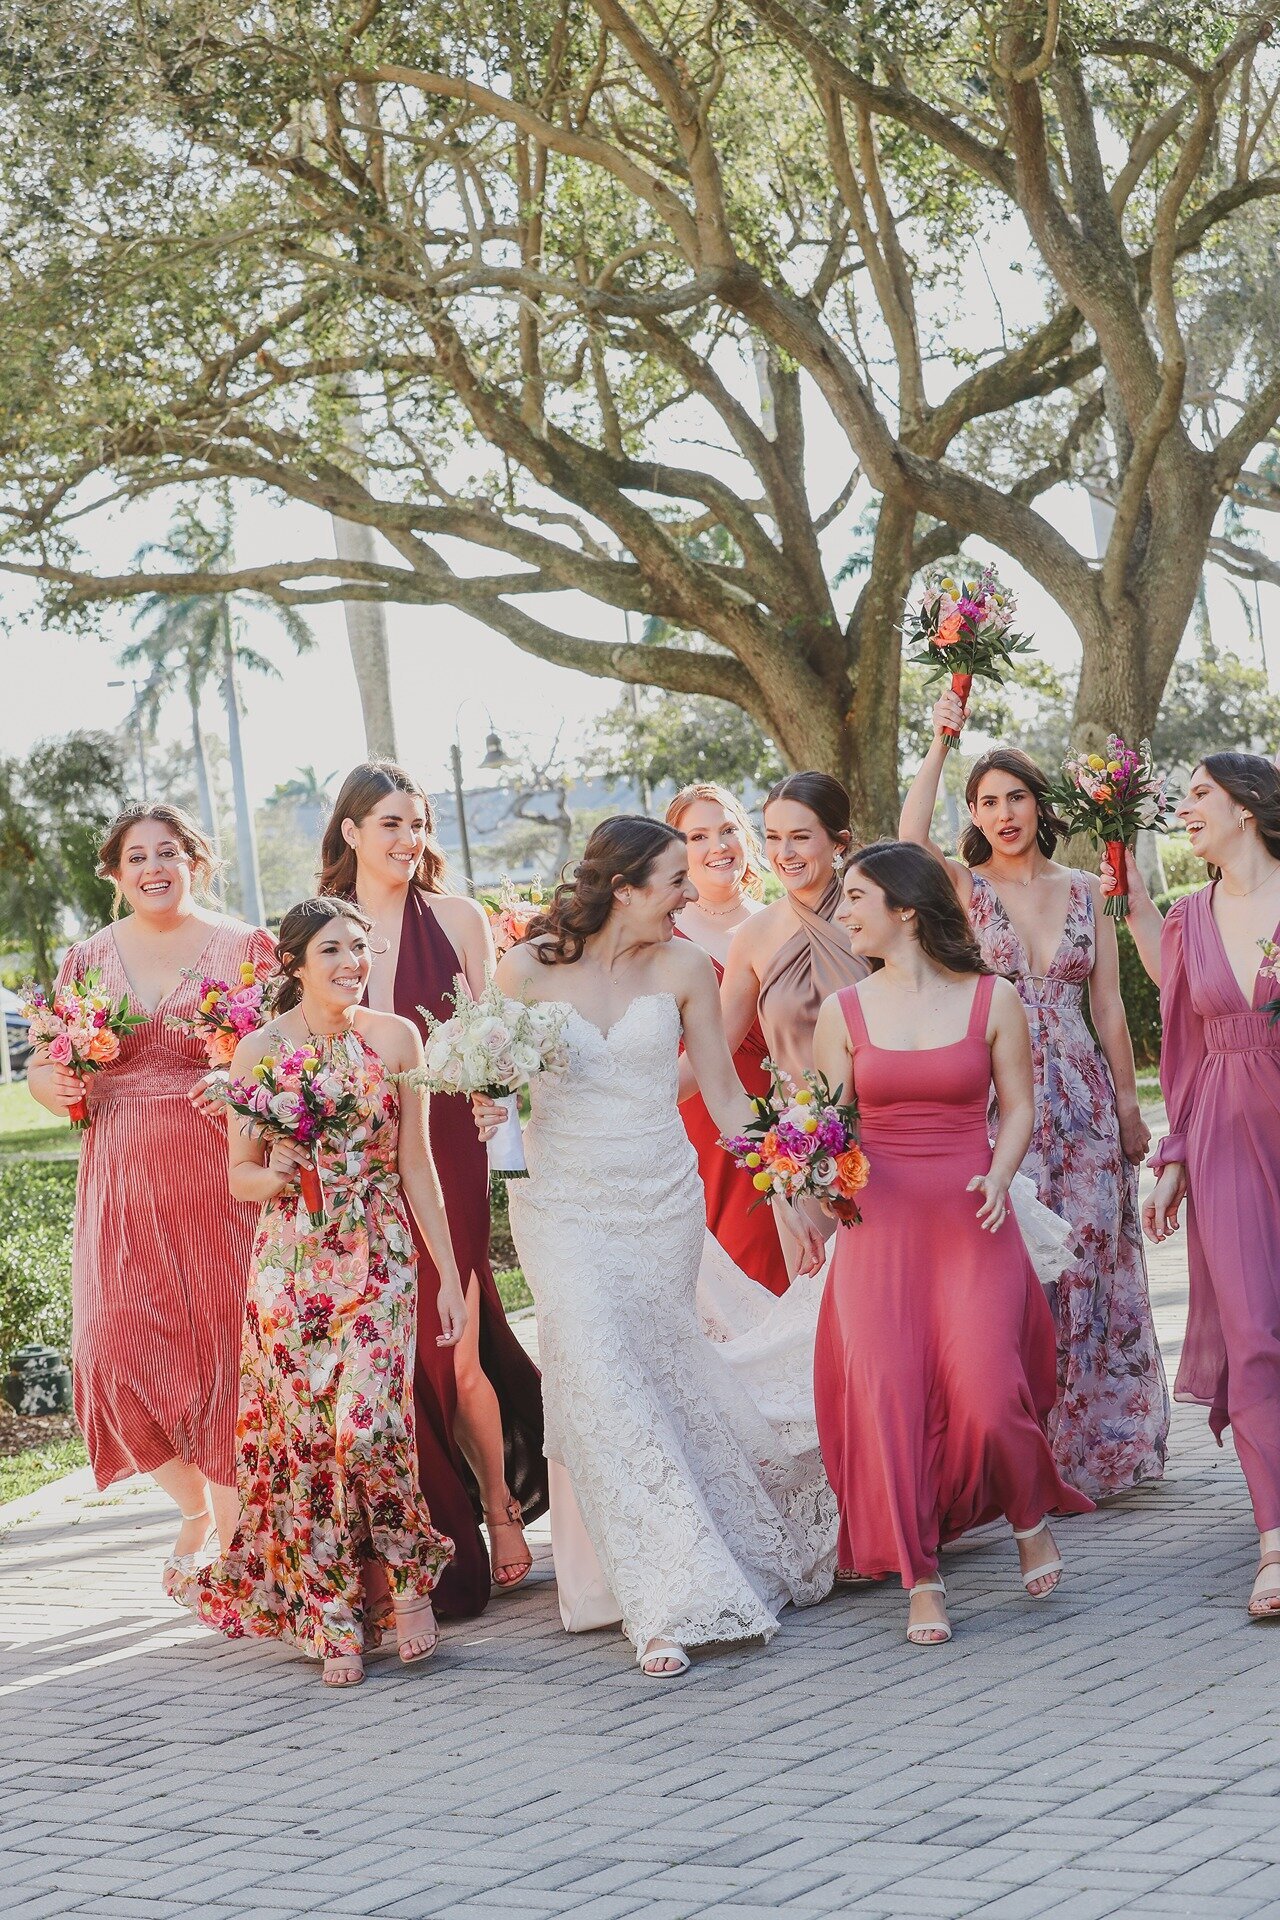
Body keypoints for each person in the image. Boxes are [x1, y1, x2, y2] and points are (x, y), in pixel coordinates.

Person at [473, 818, 837, 1677]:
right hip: (561, 1207)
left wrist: (791, 1179)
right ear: (624, 888)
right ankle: (666, 1601)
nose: (689, 892)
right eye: (674, 879)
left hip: (659, 1203)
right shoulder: (523, 970)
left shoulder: (684, 969)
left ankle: (713, 1547)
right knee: (597, 1372)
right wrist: (488, 1107)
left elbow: (723, 1092)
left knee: (654, 1371)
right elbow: (494, 1089)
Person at [171, 898, 466, 1687]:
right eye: (332, 950)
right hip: (292, 1268)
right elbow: (239, 1176)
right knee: (308, 1447)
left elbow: (418, 1167)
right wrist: (293, 1170)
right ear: (295, 963)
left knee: (369, 1432)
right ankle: (332, 1614)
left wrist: (449, 1279)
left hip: (380, 1256)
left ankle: (408, 1585)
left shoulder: (396, 1037)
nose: (350, 963)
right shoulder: (259, 1052)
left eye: (359, 948)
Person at [812, 842, 1094, 1646]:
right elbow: (830, 1128)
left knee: (984, 1387)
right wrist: (810, 1176)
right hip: (878, 1227)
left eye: (857, 896)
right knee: (891, 1395)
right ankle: (921, 1574)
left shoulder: (991, 998)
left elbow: (1019, 1110)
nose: (845, 912)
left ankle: (1027, 1509)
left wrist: (1003, 1177)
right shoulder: (845, 1011)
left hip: (975, 1217)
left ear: (905, 907)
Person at [899, 695, 1168, 1498]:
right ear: (974, 815)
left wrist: (1128, 1107)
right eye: (987, 801)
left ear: (1039, 805)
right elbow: (906, 839)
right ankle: (1027, 1450)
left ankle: (1097, 1448)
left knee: (1094, 1261)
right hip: (1001, 1100)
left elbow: (1111, 1009)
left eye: (1016, 796)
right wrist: (944, 739)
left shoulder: (1087, 888)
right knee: (1021, 1270)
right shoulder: (959, 884)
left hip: (1085, 1101)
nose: (1004, 813)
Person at [319, 763, 547, 1610]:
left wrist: (499, 1097)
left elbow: (491, 1031)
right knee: (396, 1350)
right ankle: (424, 1532)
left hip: (446, 1141)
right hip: (358, 1156)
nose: (409, 840)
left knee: (459, 1340)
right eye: (390, 824)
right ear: (350, 832)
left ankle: (498, 1499)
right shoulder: (323, 928)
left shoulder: (457, 918)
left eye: (417, 824)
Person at [26, 804, 275, 1574]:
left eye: (167, 851)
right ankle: (194, 1506)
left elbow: (289, 1049)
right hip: (124, 1179)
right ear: (116, 873)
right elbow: (42, 1070)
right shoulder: (85, 960)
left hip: (220, 1169)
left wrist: (237, 1080)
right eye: (136, 857)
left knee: (228, 1351)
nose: (152, 867)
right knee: (112, 1354)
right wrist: (54, 1079)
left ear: (195, 860)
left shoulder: (247, 948)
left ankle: (242, 1551)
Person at [1108, 753, 1280, 1620]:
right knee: (1252, 1326)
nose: (1186, 809)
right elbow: (1182, 1049)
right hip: (1225, 1137)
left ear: (1247, 807)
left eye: (1200, 794)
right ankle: (1274, 1541)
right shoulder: (1188, 919)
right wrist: (1172, 1155)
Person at [681, 772, 867, 1270]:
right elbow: (712, 1051)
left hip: (890, 1130)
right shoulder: (755, 936)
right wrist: (613, 1093)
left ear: (839, 842)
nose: (784, 852)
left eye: (801, 836)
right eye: (774, 837)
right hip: (805, 1149)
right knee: (816, 1310)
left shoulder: (875, 914)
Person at [667, 782, 789, 1295]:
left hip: (784, 1113)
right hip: (691, 1113)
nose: (718, 847)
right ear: (676, 851)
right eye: (698, 836)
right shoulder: (658, 936)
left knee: (775, 1259)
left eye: (728, 830)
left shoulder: (785, 923)